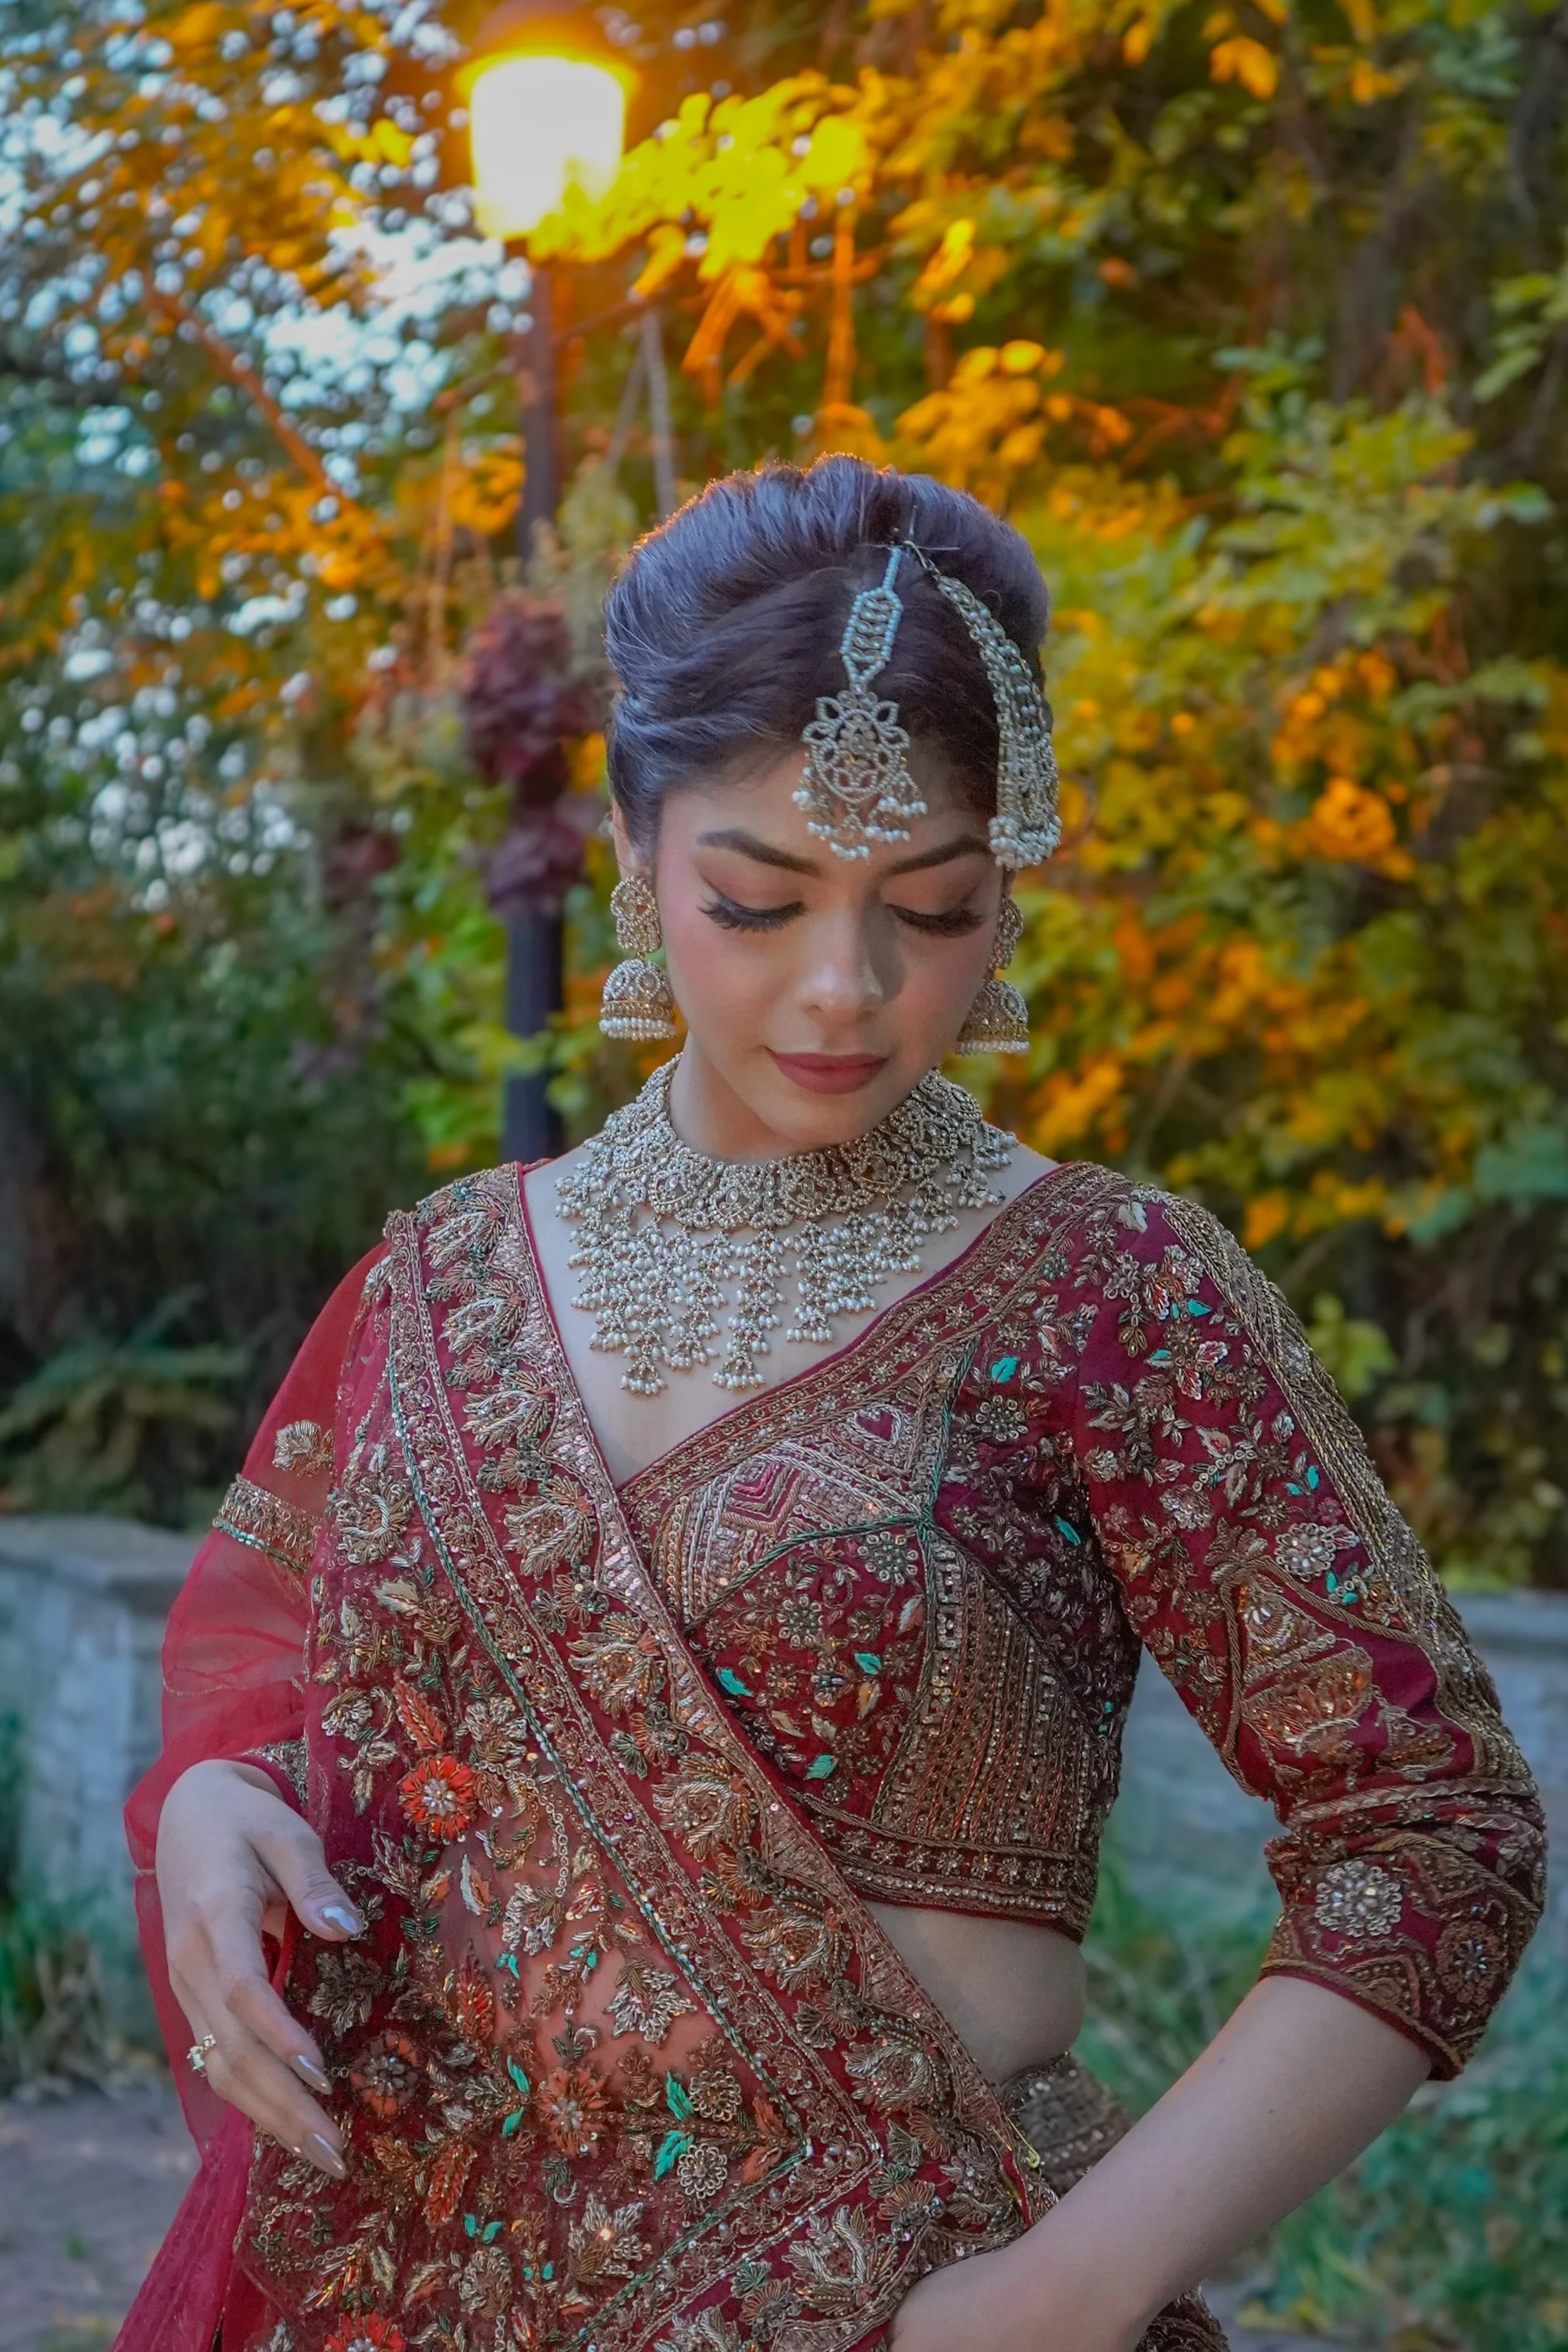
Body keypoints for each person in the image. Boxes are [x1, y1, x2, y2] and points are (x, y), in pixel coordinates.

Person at [118, 457, 1545, 2352]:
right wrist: (218, 1805)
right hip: (389, 2289)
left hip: (903, 2304)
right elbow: (279, 1679)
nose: (844, 986)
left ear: (1007, 894)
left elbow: (1432, 1828)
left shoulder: (1109, 1291)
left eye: (932, 910)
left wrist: (1068, 2285)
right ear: (635, 856)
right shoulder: (442, 1278)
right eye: (756, 896)